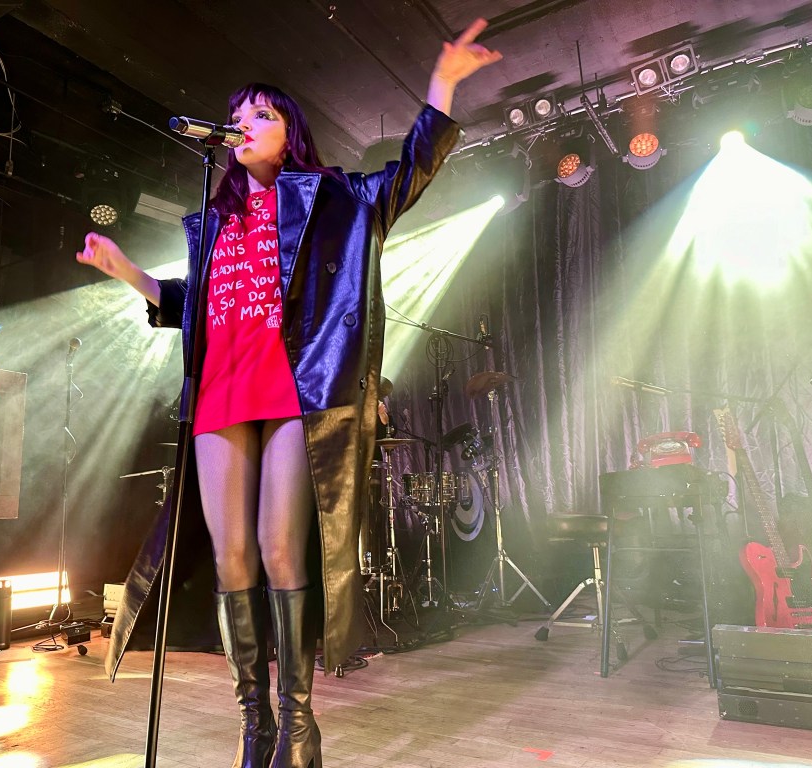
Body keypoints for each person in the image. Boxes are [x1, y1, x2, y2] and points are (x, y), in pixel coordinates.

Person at [77, 19, 501, 768]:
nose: (242, 124)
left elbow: (404, 177)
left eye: (261, 114)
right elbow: (191, 302)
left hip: (294, 389)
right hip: (219, 391)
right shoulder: (212, 220)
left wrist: (441, 87)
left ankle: (299, 726)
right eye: (237, 116)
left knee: (279, 547)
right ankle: (256, 724)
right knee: (231, 556)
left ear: (291, 136)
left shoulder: (331, 197)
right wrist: (128, 274)